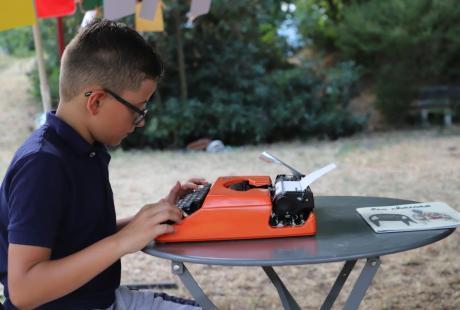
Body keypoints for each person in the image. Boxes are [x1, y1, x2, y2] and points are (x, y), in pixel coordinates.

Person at [0, 19, 205, 310]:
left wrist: (146, 221)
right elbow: (24, 291)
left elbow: (78, 240)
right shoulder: (42, 165)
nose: (141, 121)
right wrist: (123, 242)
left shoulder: (85, 149)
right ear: (95, 101)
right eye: (138, 109)